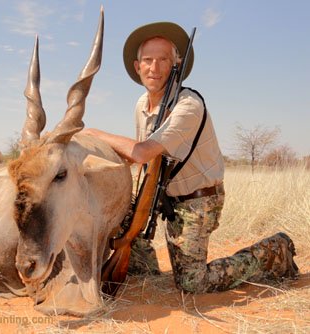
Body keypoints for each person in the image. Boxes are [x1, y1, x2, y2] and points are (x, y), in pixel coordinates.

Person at [83, 22, 298, 293]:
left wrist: (90, 134)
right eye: (148, 61)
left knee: (192, 283)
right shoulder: (141, 104)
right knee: (118, 215)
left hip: (199, 202)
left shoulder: (188, 105)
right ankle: (143, 265)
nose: (155, 68)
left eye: (163, 60)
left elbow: (141, 151)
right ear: (137, 67)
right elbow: (142, 159)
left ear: (176, 64)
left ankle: (272, 251)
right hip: (165, 197)